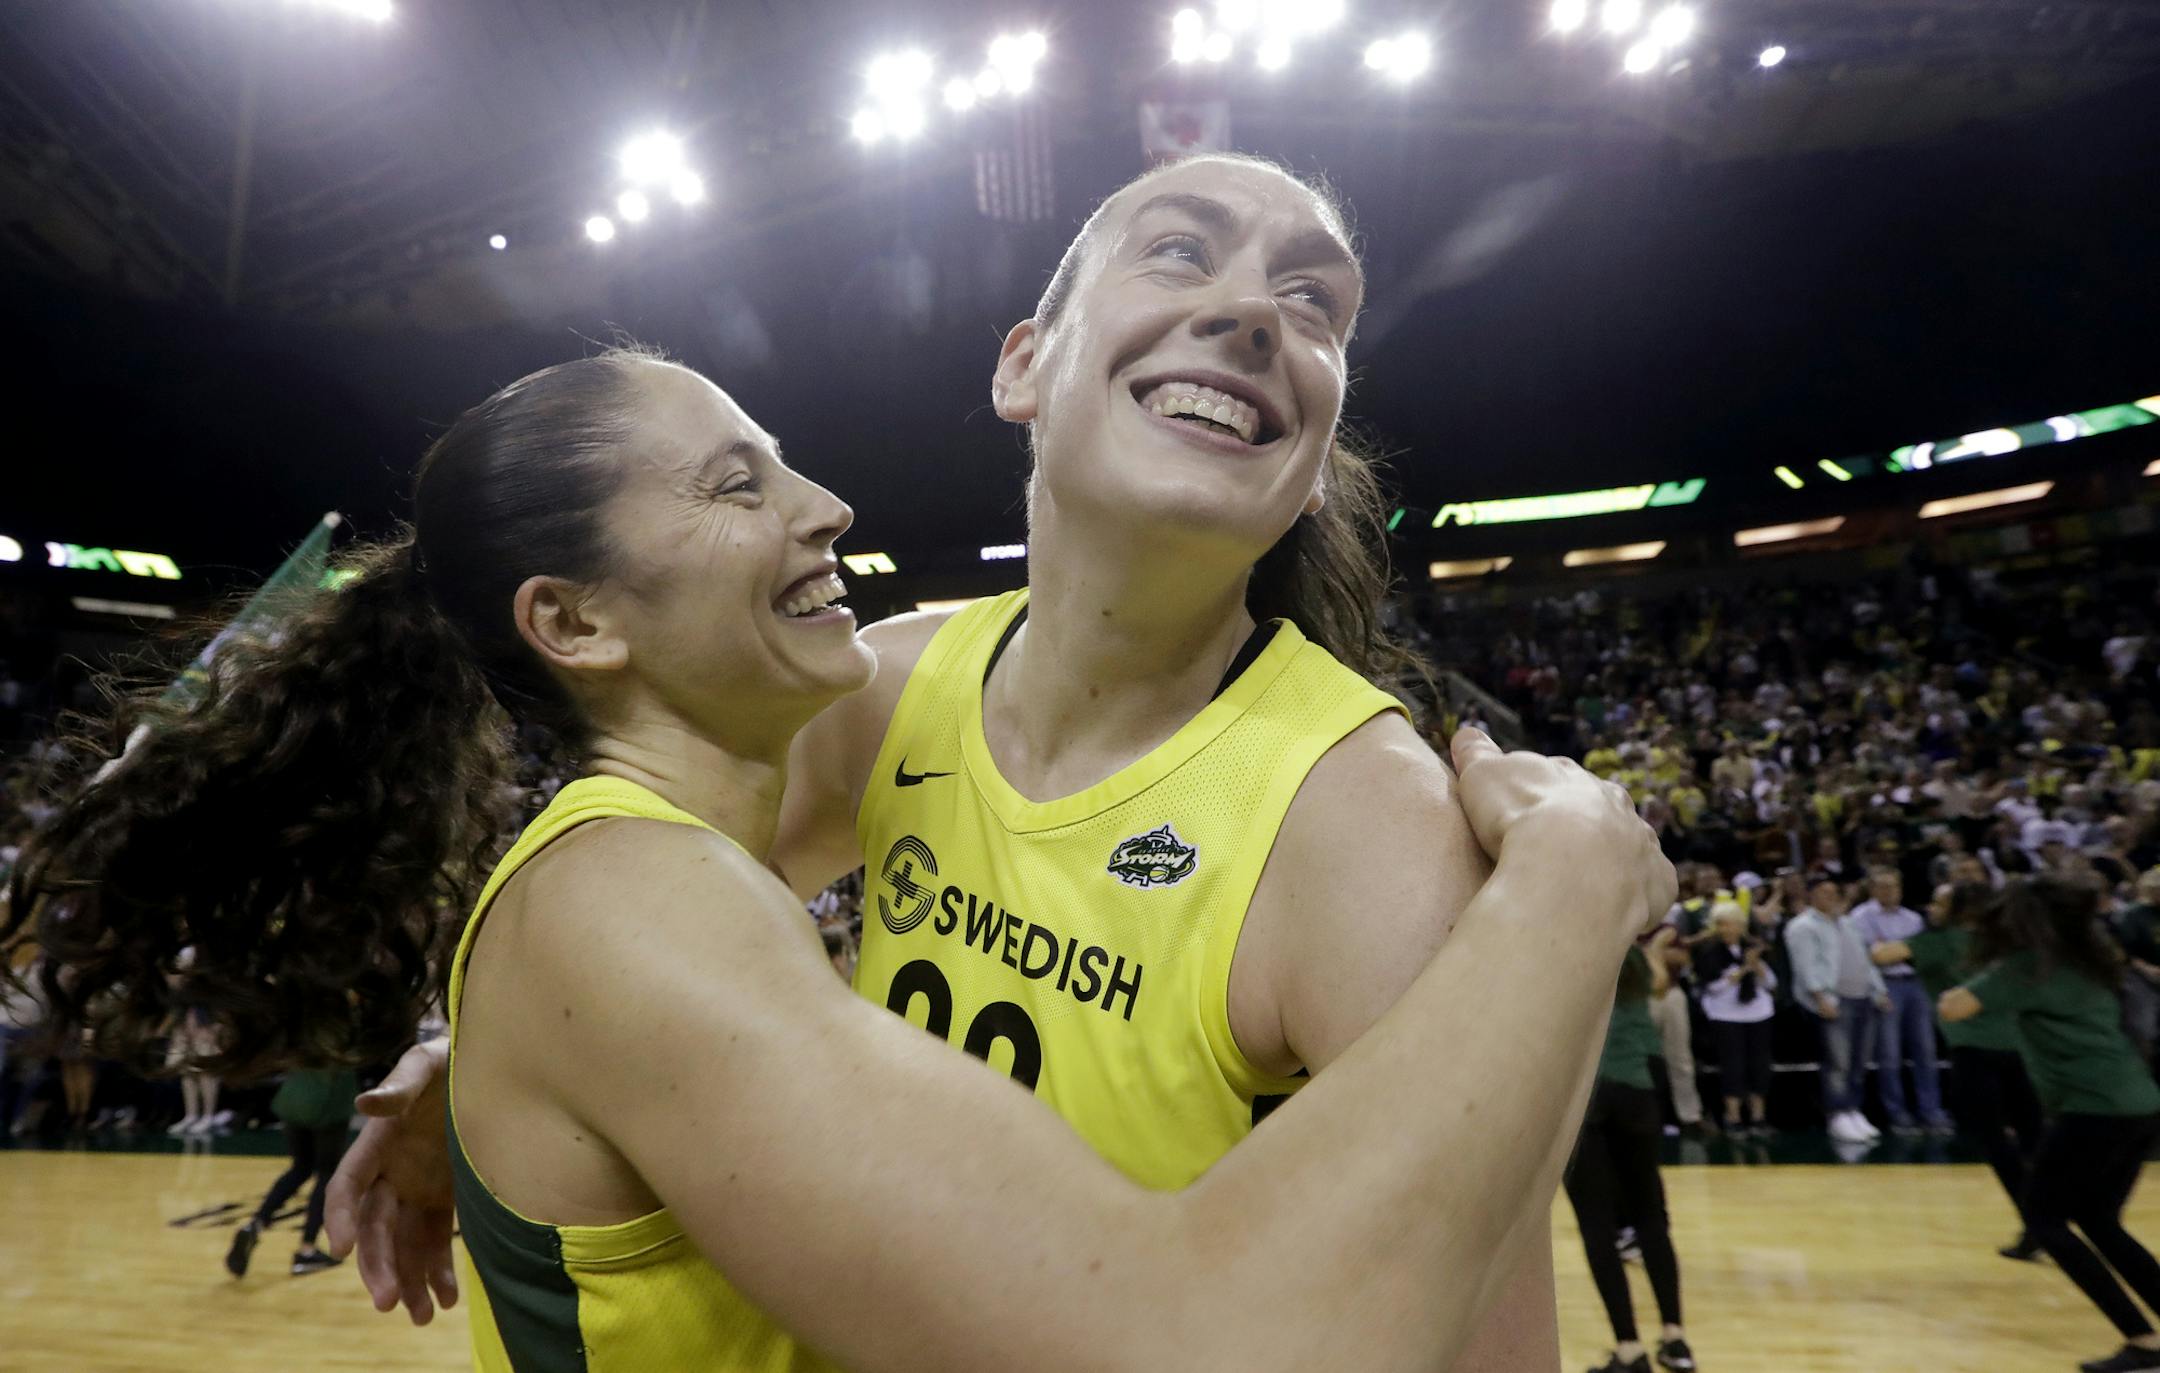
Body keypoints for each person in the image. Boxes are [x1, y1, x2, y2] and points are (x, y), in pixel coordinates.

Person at [6, 350, 1673, 1372]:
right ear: (574, 620)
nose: (824, 504)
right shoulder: (626, 906)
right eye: (741, 484)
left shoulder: (714, 834)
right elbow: (1195, 1341)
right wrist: (1569, 887)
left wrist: (479, 1059)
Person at [327, 153, 1587, 1364]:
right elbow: (617, 963)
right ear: (1023, 369)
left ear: (1314, 463)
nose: (1256, 309)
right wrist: (477, 1064)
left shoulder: (1367, 821)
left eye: (1314, 302)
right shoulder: (885, 687)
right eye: (1180, 253)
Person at [1944, 877, 2160, 1373]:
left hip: (2092, 1108)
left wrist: (1978, 975)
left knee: (2045, 1220)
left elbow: (1954, 1007)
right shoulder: (2091, 962)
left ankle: (2144, 1340)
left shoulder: (2027, 968)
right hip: (2140, 1101)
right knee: (2101, 1220)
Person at [1563, 926, 1695, 1373]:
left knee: (1598, 1227)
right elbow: (1658, 983)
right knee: (1650, 1218)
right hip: (1639, 1089)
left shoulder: (1561, 946)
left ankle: (1629, 1348)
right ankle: (1676, 1339)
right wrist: (1654, 947)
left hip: (1585, 1097)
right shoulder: (1632, 954)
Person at [1901, 882, 2041, 1260]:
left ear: (1956, 909)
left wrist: (1923, 934)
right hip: (2020, 1049)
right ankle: (2052, 1216)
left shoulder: (1939, 941)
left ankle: (2039, 1222)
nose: (1932, 907)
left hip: (1975, 1053)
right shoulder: (2004, 941)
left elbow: (1883, 954)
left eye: (1939, 902)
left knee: (1995, 1140)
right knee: (2034, 1137)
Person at [226, 1066, 360, 1278]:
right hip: (327, 1101)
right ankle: (307, 1249)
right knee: (327, 1173)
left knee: (300, 1168)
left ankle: (256, 1224)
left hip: (294, 1097)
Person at [1782, 877, 1888, 1143]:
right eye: (1823, 892)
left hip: (1863, 997)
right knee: (1837, 1062)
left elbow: (1865, 958)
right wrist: (1820, 998)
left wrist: (1879, 990)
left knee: (1858, 1061)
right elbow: (1805, 966)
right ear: (1810, 896)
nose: (1830, 896)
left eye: (1833, 892)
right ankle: (1837, 1113)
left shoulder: (1847, 923)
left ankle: (1854, 1110)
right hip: (1834, 999)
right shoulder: (1802, 926)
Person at [1852, 866, 1955, 1135]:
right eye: (1883, 886)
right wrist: (1891, 956)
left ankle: (1931, 1111)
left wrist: (1889, 949)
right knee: (1889, 1053)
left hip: (1916, 983)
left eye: (1894, 886)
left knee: (1925, 1050)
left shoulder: (1913, 919)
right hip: (1885, 985)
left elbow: (1914, 954)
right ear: (1872, 889)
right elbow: (1868, 956)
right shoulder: (1861, 917)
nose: (1889, 892)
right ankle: (1898, 1114)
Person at [1693, 900, 1777, 1137]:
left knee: (1759, 1065)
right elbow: (1714, 987)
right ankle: (1733, 1117)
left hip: (1758, 1013)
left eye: (1731, 924)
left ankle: (1758, 1117)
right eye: (1721, 924)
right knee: (1733, 1066)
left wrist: (1756, 965)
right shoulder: (1709, 952)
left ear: (1741, 925)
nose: (1726, 929)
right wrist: (1742, 969)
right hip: (1725, 1015)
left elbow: (1770, 983)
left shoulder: (1754, 948)